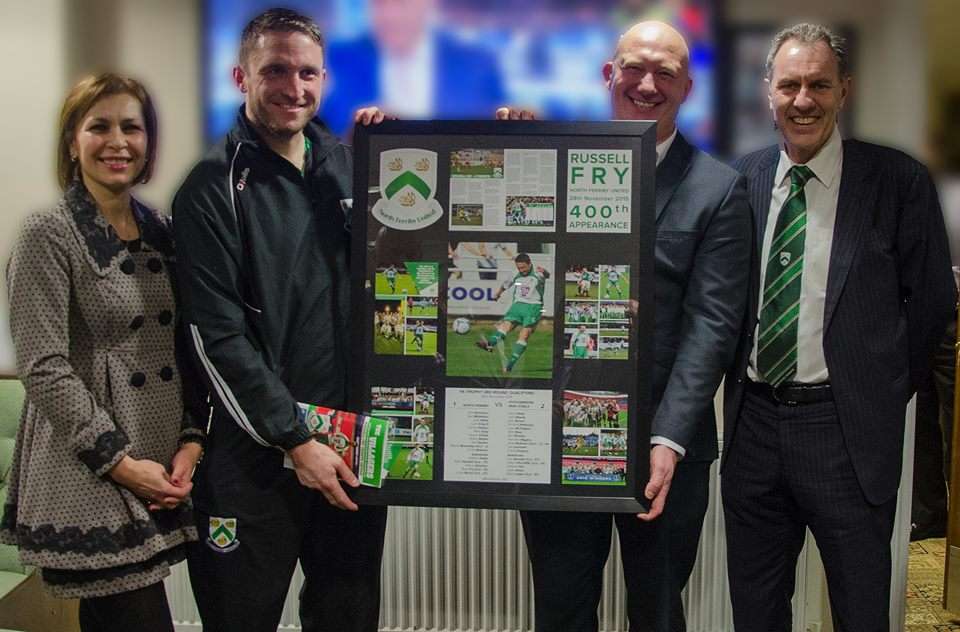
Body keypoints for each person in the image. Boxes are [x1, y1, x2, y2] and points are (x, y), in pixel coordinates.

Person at [500, 21, 751, 632]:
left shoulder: (718, 189)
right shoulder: (554, 163)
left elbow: (712, 326)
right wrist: (512, 153)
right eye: (635, 67)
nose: (647, 84)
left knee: (658, 611)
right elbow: (511, 250)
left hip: (664, 445)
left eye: (666, 72)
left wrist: (669, 438)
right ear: (607, 74)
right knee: (561, 608)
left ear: (687, 88)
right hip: (559, 433)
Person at [721, 23, 956, 631]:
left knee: (860, 609)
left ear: (844, 90)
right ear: (767, 92)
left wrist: (878, 386)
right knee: (756, 610)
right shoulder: (741, 181)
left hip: (846, 432)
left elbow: (933, 303)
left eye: (819, 85)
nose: (804, 100)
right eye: (790, 85)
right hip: (754, 428)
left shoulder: (898, 182)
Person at [172, 9, 387, 632]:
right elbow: (216, 338)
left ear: (325, 79)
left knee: (347, 617)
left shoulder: (349, 166)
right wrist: (295, 439)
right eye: (275, 71)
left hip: (348, 449)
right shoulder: (210, 188)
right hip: (254, 459)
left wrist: (401, 151)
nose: (294, 88)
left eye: (307, 73)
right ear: (241, 77)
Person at [0, 74, 205, 632]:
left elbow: (180, 345)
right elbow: (43, 367)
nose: (118, 141)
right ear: (73, 142)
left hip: (156, 462)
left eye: (131, 127)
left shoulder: (160, 230)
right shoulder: (47, 233)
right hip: (88, 469)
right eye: (99, 127)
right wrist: (122, 464)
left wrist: (190, 441)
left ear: (148, 142)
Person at [319, 0, 505, 139]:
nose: (389, 16)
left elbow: (494, 136)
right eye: (380, 4)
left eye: (401, 3)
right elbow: (321, 136)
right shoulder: (337, 59)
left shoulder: (476, 65)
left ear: (429, 4)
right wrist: (358, 134)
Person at [475, 253, 550, 373]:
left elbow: (547, 275)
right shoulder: (515, 273)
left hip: (533, 307)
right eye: (519, 267)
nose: (521, 270)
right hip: (517, 305)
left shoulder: (538, 273)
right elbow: (506, 284)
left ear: (529, 264)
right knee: (504, 326)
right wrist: (498, 294)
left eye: (523, 267)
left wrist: (545, 271)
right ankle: (490, 344)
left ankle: (509, 365)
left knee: (524, 334)